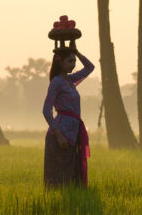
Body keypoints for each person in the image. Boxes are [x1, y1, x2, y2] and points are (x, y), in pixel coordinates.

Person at [43, 41, 94, 188]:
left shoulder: (70, 80)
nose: (73, 64)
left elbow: (90, 67)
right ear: (60, 63)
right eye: (70, 61)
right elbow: (46, 110)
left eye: (75, 61)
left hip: (73, 133)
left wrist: (76, 52)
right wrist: (58, 135)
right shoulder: (56, 82)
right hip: (60, 135)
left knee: (72, 175)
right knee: (59, 178)